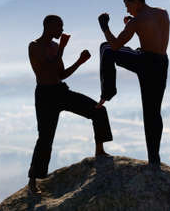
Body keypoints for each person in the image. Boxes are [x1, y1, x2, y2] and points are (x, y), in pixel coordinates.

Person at [27, 15, 113, 194]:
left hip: (60, 90)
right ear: (48, 26)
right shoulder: (34, 46)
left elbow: (61, 74)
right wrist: (63, 49)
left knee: (98, 110)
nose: (62, 30)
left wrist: (79, 62)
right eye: (59, 27)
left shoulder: (55, 46)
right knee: (45, 137)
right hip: (45, 95)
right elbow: (44, 69)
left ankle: (100, 150)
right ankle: (33, 181)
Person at [97, 0, 169, 167]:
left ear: (137, 1)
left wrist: (104, 26)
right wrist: (132, 24)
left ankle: (108, 92)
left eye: (128, 6)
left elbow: (115, 44)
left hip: (145, 61)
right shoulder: (162, 13)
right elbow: (152, 32)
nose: (128, 11)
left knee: (106, 48)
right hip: (161, 62)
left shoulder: (137, 21)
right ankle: (154, 159)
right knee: (153, 112)